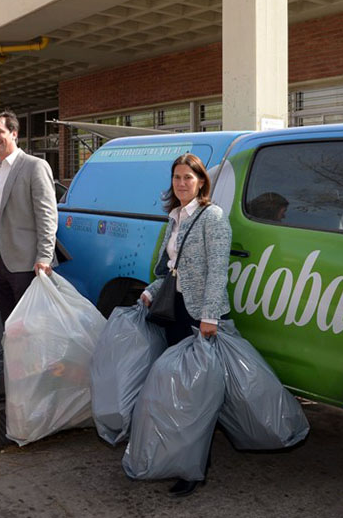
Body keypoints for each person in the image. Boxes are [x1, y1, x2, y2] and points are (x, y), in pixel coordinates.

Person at [139, 152, 232, 497]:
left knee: (197, 395)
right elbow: (167, 269)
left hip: (199, 316)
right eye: (177, 178)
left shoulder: (213, 218)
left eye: (188, 178)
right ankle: (179, 455)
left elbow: (218, 270)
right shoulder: (175, 217)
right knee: (178, 389)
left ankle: (196, 466)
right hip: (173, 311)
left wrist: (209, 316)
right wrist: (150, 292)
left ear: (202, 182)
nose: (181, 184)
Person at [0, 111, 58, 402]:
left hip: (27, 264)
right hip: (1, 262)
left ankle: (37, 393)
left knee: (31, 331)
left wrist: (44, 255)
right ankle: (17, 389)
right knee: (11, 331)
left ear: (14, 134)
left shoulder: (34, 166)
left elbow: (47, 214)